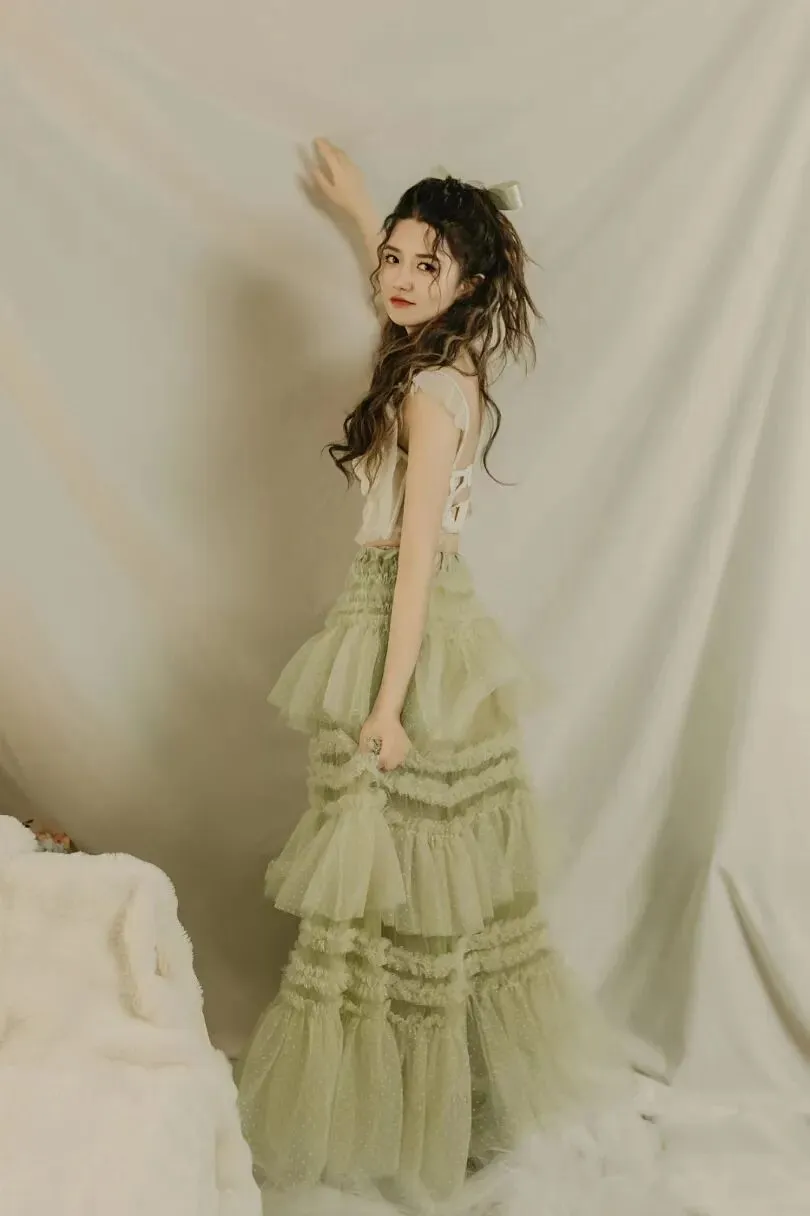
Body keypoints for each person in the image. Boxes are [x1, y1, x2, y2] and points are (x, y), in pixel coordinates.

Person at [236, 139, 619, 1211]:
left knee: (397, 872)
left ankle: (421, 1114)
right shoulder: (447, 362)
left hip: (403, 625)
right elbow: (406, 295)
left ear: (469, 281)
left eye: (424, 264)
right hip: (428, 623)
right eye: (393, 259)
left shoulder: (426, 395)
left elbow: (412, 561)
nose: (398, 278)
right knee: (427, 880)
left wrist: (388, 703)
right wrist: (364, 209)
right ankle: (432, 1100)